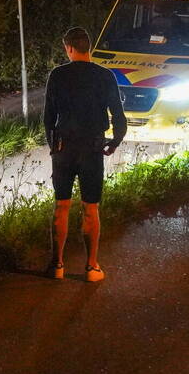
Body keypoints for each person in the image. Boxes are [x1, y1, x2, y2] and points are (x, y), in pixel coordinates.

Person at [42, 27, 127, 282]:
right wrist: (114, 142)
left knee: (61, 205)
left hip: (64, 148)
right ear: (87, 47)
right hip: (92, 148)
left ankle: (57, 265)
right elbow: (119, 116)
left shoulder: (58, 75)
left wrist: (52, 145)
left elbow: (48, 117)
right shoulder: (105, 76)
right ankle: (91, 268)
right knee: (91, 207)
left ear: (69, 48)